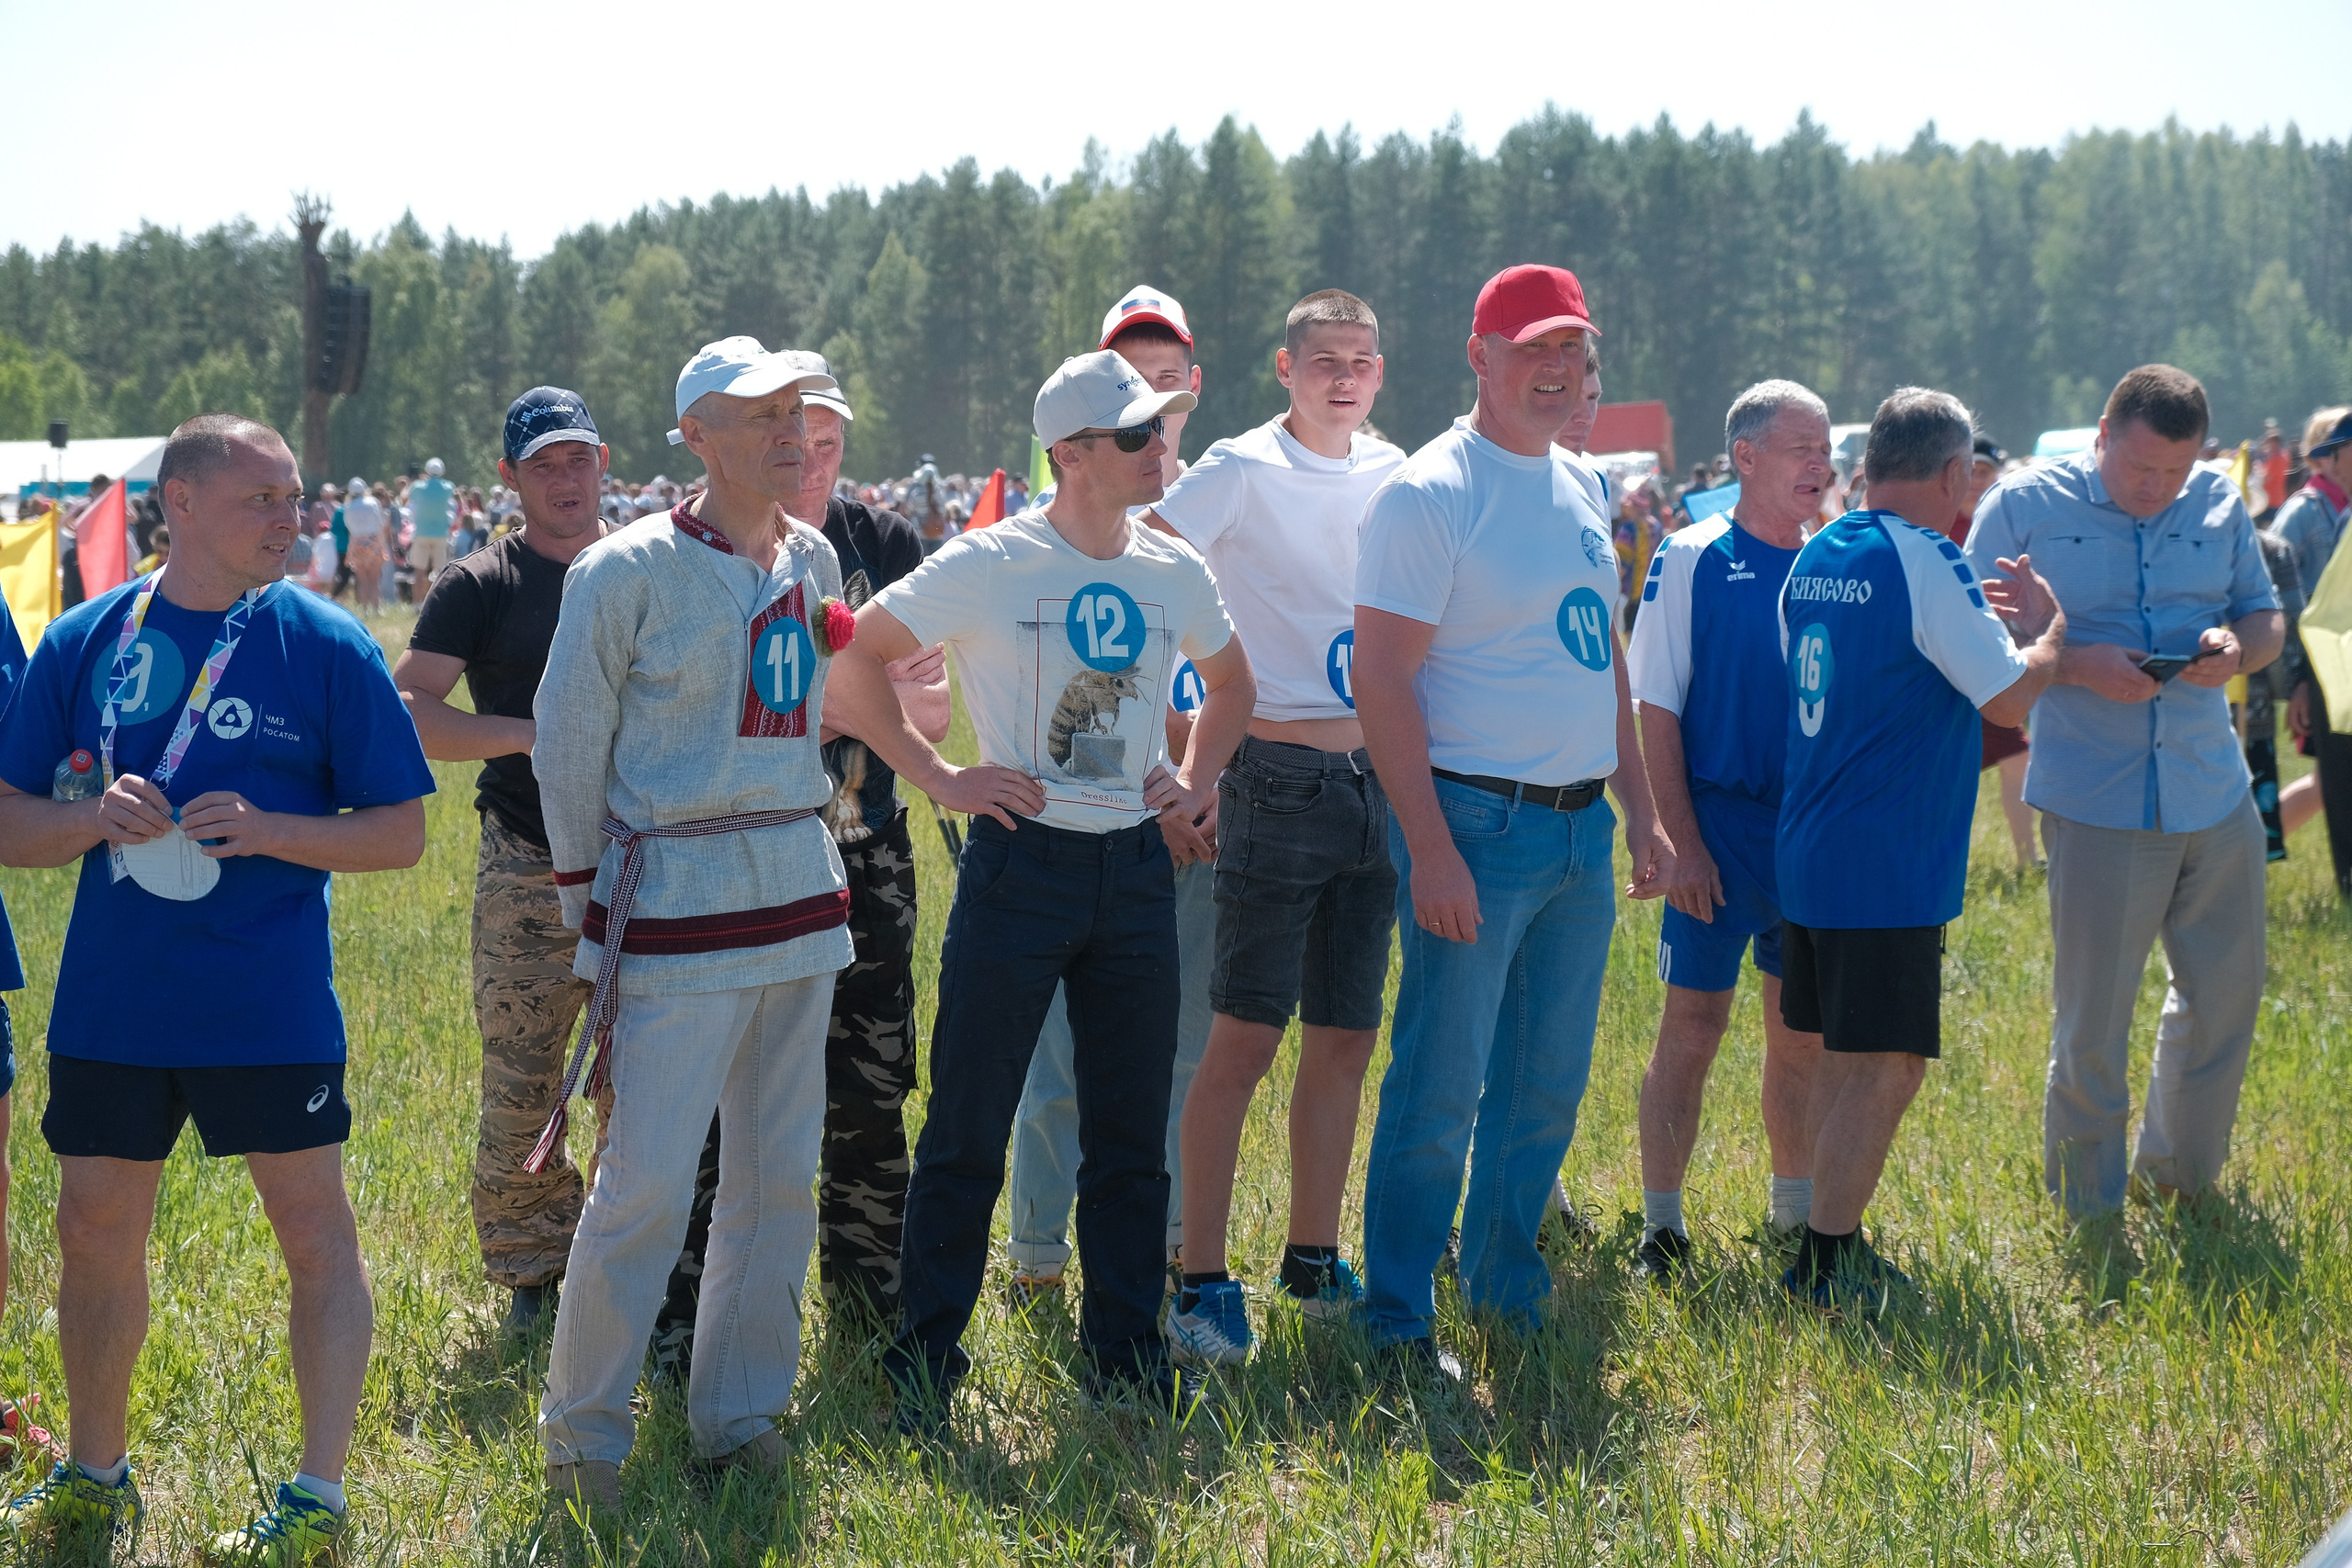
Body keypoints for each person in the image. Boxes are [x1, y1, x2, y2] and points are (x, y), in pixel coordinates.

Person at [0, 414, 433, 1562]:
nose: (291, 520)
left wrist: (277, 830)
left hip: (266, 1004)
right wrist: (92, 817)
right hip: (114, 1004)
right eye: (262, 500)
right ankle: (94, 1475)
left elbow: (402, 835)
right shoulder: (89, 638)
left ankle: (316, 1500)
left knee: (314, 1236)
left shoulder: (328, 643)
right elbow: (7, 819)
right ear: (178, 503)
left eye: (296, 498)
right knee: (93, 1232)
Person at [829, 348, 1252, 1431]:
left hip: (1135, 873)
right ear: (1067, 455)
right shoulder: (991, 561)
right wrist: (942, 776)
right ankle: (923, 1367)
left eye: (1157, 429)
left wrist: (1193, 787)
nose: (1157, 448)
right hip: (1020, 867)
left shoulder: (1171, 566)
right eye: (1132, 436)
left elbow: (1235, 680)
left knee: (1128, 1131)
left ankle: (1125, 1360)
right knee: (969, 1123)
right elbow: (851, 664)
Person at [530, 340, 853, 1517]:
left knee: (777, 1184)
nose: (787, 431)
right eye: (757, 414)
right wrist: (590, 905)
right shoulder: (624, 573)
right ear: (695, 435)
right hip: (674, 904)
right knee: (646, 1187)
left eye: (796, 411)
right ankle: (585, 1440)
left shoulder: (813, 557)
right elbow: (566, 746)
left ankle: (740, 1413)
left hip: (796, 895)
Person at [1351, 264, 1671, 1376]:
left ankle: (1504, 1285)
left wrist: (1640, 813)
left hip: (1581, 836)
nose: (1556, 371)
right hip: (1475, 830)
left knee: (1543, 1083)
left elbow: (1606, 662)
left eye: (1572, 352)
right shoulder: (1430, 492)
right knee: (1438, 1087)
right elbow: (1381, 684)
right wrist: (1429, 848)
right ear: (1479, 357)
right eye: (1532, 349)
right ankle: (1395, 1318)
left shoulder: (1582, 486)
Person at [652, 353, 949, 1366]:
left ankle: (868, 1303)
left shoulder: (884, 545)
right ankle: (681, 1312)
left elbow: (935, 706)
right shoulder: (717, 552)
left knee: (871, 1082)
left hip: (868, 857)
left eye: (827, 443)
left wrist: (866, 695)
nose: (810, 458)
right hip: (742, 865)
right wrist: (862, 690)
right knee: (708, 1095)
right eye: (794, 437)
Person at [1138, 288, 1405, 1365]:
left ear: (1379, 374)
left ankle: (1311, 1255)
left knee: (1346, 1037)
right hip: (1267, 775)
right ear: (1285, 369)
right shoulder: (1238, 472)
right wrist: (1178, 757)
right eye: (1323, 358)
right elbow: (1142, 572)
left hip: (1375, 779)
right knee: (1241, 1041)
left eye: (1362, 359)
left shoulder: (1397, 474)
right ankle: (1201, 1280)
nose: (1344, 376)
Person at [1963, 366, 2283, 1224]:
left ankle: (2178, 1178)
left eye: (2175, 473)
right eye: (2141, 468)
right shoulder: (2024, 506)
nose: (2157, 489)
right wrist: (2074, 664)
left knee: (2226, 996)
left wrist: (2235, 650)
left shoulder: (2218, 503)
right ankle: (2088, 1207)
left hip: (2212, 790)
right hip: (2096, 799)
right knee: (2094, 1021)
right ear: (2103, 432)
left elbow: (2265, 617)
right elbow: (1967, 637)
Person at [1778, 387, 2063, 1312]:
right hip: (1886, 859)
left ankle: (1821, 1241)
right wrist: (2050, 636)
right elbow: (2010, 701)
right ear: (1953, 474)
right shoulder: (1930, 560)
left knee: (1838, 1053)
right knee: (1886, 1062)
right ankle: (1828, 1263)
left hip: (1812, 846)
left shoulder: (1818, 550)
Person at [1004, 283, 1211, 1311]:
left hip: (1186, 826)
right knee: (1054, 1066)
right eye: (1132, 376)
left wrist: (1194, 789)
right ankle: (1038, 1255)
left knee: (1174, 1053)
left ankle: (1167, 1251)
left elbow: (1238, 673)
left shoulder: (1225, 501)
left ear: (1193, 383)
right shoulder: (1043, 522)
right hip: (1073, 829)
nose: (1153, 398)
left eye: (1167, 375)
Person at [393, 389, 613, 1336]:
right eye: (543, 466)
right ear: (510, 478)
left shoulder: (649, 565)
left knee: (649, 1083)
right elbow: (410, 711)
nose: (564, 482)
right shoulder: (480, 583)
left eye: (578, 461)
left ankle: (630, 1271)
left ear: (605, 463)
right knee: (524, 1082)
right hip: (529, 862)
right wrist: (531, 734)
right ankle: (533, 1275)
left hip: (653, 864)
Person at [1623, 379, 1833, 1285]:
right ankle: (1660, 1228)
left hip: (1811, 841)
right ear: (1744, 457)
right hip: (1720, 830)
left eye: (1826, 452)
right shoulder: (1691, 555)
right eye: (1800, 450)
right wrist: (1682, 839)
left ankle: (1793, 1218)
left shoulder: (1838, 557)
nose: (1820, 469)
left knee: (1799, 1035)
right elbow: (1655, 704)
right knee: (1692, 1027)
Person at [1951, 434, 2042, 872]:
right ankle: (1942, 858)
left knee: (2016, 755)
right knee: (1946, 770)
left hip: (1992, 664)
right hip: (1945, 672)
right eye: (1969, 471)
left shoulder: (2006, 525)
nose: (1975, 481)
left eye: (1984, 472)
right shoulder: (1935, 524)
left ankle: (2027, 858)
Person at [2278, 408, 2352, 893]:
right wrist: (2298, 679)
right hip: (2323, 671)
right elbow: (2282, 598)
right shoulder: (2305, 513)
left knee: (2335, 783)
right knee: (2336, 783)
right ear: (2326, 460)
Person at [408, 457, 458, 592]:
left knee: (419, 572)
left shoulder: (418, 487)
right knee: (440, 572)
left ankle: (417, 603)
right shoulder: (448, 487)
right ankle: (440, 602)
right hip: (441, 534)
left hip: (421, 533)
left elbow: (408, 496)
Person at [341, 477, 386, 613]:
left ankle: (364, 609)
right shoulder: (373, 502)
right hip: (373, 542)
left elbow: (348, 527)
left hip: (356, 543)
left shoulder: (347, 507)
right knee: (374, 579)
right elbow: (380, 523)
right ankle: (376, 608)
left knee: (362, 579)